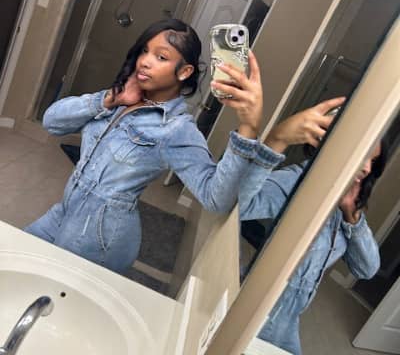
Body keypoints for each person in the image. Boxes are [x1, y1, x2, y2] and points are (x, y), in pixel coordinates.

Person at [24, 19, 265, 274]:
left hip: (96, 236)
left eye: (161, 57)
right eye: (144, 51)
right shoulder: (122, 96)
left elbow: (216, 199)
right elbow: (52, 122)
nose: (145, 61)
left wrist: (248, 128)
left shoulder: (175, 129)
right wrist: (110, 99)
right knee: (16, 256)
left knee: (44, 287)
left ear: (184, 72)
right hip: (65, 211)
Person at [237, 99, 388, 355]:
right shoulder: (297, 181)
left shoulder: (347, 202)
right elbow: (237, 205)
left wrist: (352, 217)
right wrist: (276, 141)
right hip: (257, 313)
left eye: (373, 161)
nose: (366, 168)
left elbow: (366, 269)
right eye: (363, 155)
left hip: (288, 323)